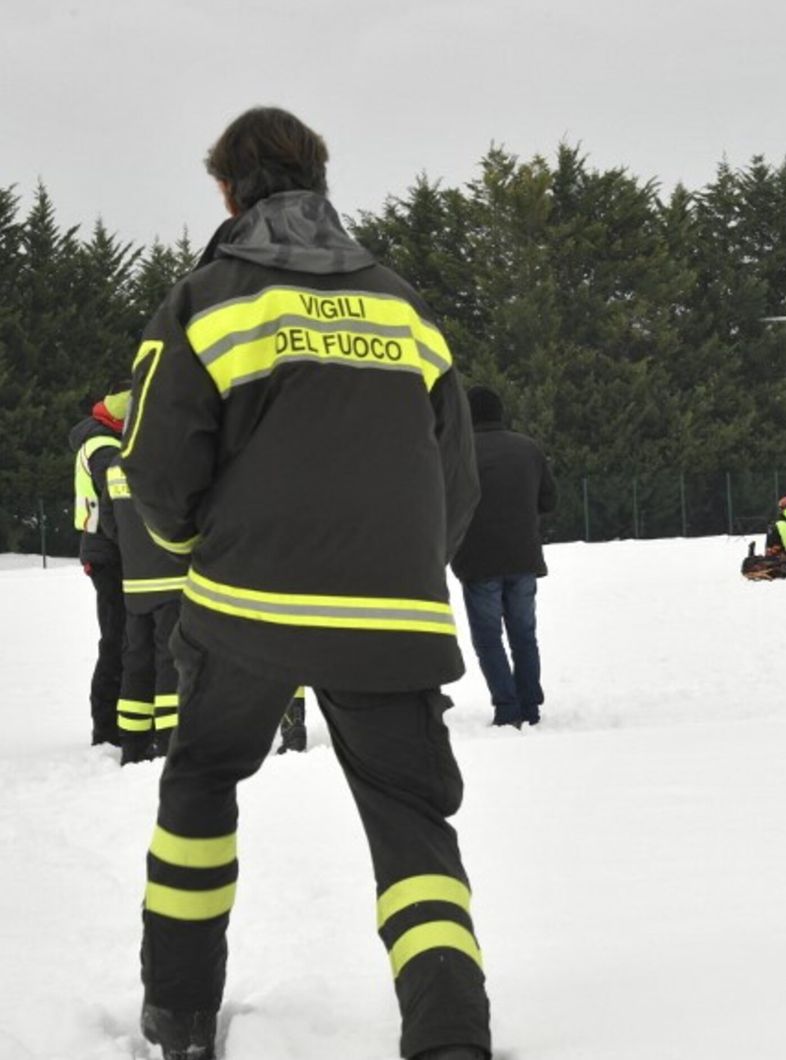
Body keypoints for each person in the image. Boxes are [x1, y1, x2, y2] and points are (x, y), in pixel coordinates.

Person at [121, 106, 489, 1060]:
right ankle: (450, 1035)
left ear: (227, 190)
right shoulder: (402, 304)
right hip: (394, 611)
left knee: (201, 779)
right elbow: (457, 476)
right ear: (321, 181)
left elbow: (157, 470)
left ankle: (180, 1016)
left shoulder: (208, 297)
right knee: (411, 821)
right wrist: (405, 571)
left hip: (247, 604)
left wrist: (197, 542)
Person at [451, 386, 556, 728]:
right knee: (524, 635)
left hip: (478, 561)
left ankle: (507, 707)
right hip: (524, 557)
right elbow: (549, 502)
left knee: (488, 638)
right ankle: (530, 706)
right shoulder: (528, 448)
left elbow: (445, 505)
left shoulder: (457, 452)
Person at [100, 452, 189, 764]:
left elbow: (108, 524)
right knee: (170, 660)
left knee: (136, 661)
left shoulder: (113, 467)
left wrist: (134, 548)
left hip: (135, 584)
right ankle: (169, 740)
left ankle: (133, 745)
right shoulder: (170, 455)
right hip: (173, 579)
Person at [69, 383, 130, 747]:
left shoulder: (98, 438)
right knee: (118, 638)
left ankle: (113, 721)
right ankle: (107, 727)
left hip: (104, 551)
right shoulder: (104, 446)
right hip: (110, 552)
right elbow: (117, 508)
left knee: (120, 636)